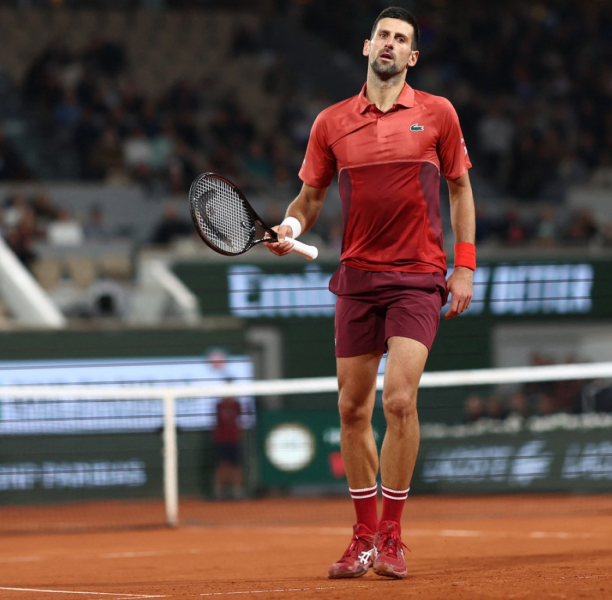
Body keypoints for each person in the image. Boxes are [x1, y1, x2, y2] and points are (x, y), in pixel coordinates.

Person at [267, 7, 475, 580]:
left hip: (418, 276)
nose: (390, 43)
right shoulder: (331, 122)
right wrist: (290, 227)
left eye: (401, 38)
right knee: (352, 408)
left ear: (412, 56)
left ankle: (392, 535)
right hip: (357, 278)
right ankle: (362, 536)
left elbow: (460, 189)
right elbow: (309, 198)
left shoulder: (438, 113)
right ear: (366, 46)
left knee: (399, 401)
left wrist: (464, 266)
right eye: (383, 34)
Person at [212, 390, 243, 500]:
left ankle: (236, 490)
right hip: (221, 440)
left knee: (236, 465)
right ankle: (219, 491)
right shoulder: (219, 406)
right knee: (222, 465)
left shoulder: (237, 405)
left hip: (234, 440)